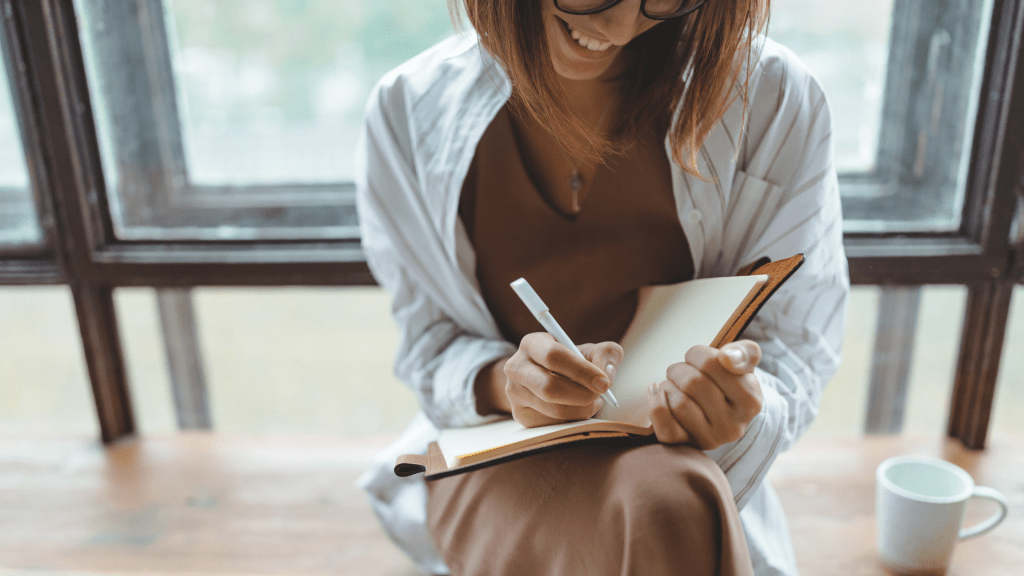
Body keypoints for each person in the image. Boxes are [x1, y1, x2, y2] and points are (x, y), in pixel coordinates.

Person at [356, 0, 849, 574]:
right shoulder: (406, 111)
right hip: (495, 453)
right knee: (669, 507)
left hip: (683, 458)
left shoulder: (773, 98)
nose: (619, 28)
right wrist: (509, 386)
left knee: (664, 497)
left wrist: (739, 407)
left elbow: (796, 345)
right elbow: (430, 344)